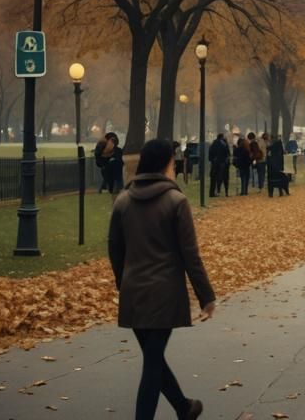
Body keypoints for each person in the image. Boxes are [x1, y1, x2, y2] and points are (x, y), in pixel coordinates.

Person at [108, 138, 214, 420]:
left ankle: (184, 407)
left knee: (153, 359)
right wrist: (207, 297)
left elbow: (115, 250)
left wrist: (123, 283)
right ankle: (177, 409)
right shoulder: (176, 201)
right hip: (165, 294)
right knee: (153, 363)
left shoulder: (123, 201)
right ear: (167, 163)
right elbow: (190, 255)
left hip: (134, 292)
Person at [208, 132, 231, 197]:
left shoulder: (213, 144)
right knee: (222, 178)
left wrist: (212, 160)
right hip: (222, 163)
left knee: (213, 179)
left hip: (214, 163)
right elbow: (227, 153)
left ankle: (212, 192)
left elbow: (210, 155)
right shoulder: (223, 144)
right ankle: (223, 191)